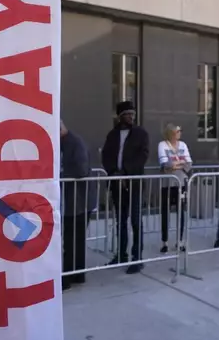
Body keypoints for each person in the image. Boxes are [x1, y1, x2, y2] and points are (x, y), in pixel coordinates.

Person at [101, 101, 149, 274]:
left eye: (133, 114)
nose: (131, 117)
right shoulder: (112, 135)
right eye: (127, 114)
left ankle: (137, 258)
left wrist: (126, 172)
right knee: (120, 221)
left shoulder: (140, 133)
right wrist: (114, 172)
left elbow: (143, 155)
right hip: (116, 184)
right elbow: (106, 156)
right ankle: (121, 254)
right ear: (120, 116)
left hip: (134, 183)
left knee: (136, 221)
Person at [60, 121, 96, 291]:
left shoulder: (75, 143)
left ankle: (68, 276)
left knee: (72, 240)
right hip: (74, 199)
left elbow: (81, 170)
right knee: (75, 240)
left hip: (79, 200)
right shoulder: (67, 142)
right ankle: (77, 273)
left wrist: (60, 175)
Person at [158, 123, 192, 253]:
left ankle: (180, 241)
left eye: (180, 131)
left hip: (181, 182)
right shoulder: (163, 144)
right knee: (165, 212)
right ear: (171, 133)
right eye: (177, 131)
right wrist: (180, 163)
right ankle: (164, 241)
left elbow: (189, 164)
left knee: (181, 212)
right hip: (167, 182)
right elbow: (165, 164)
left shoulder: (183, 145)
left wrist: (175, 165)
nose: (180, 133)